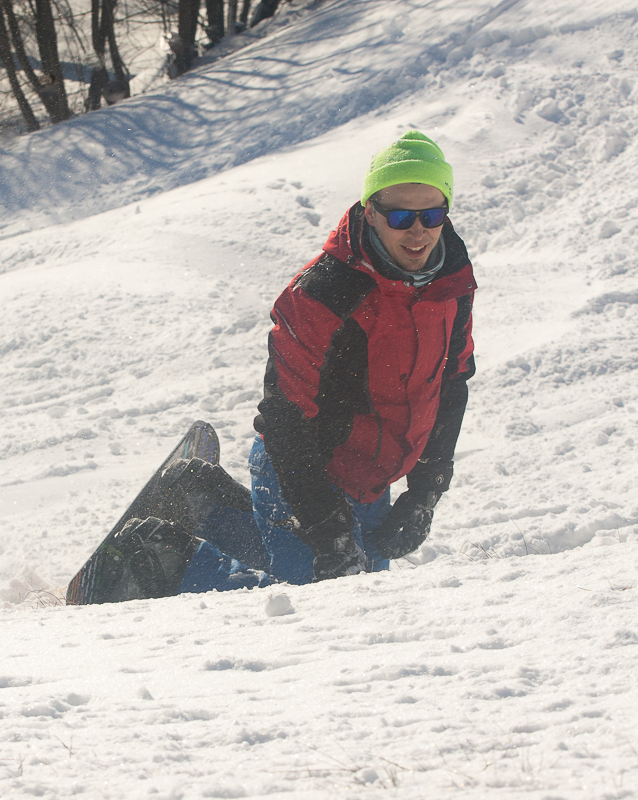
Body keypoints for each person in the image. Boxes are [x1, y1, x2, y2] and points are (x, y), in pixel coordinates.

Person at [98, 131, 475, 602]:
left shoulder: (450, 284)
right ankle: (155, 558)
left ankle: (201, 500)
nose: (417, 230)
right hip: (299, 470)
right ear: (372, 213)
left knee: (361, 583)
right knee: (320, 599)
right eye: (400, 216)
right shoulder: (323, 293)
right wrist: (324, 522)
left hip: (370, 476)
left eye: (431, 214)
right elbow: (284, 419)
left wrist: (424, 495)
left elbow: (453, 382)